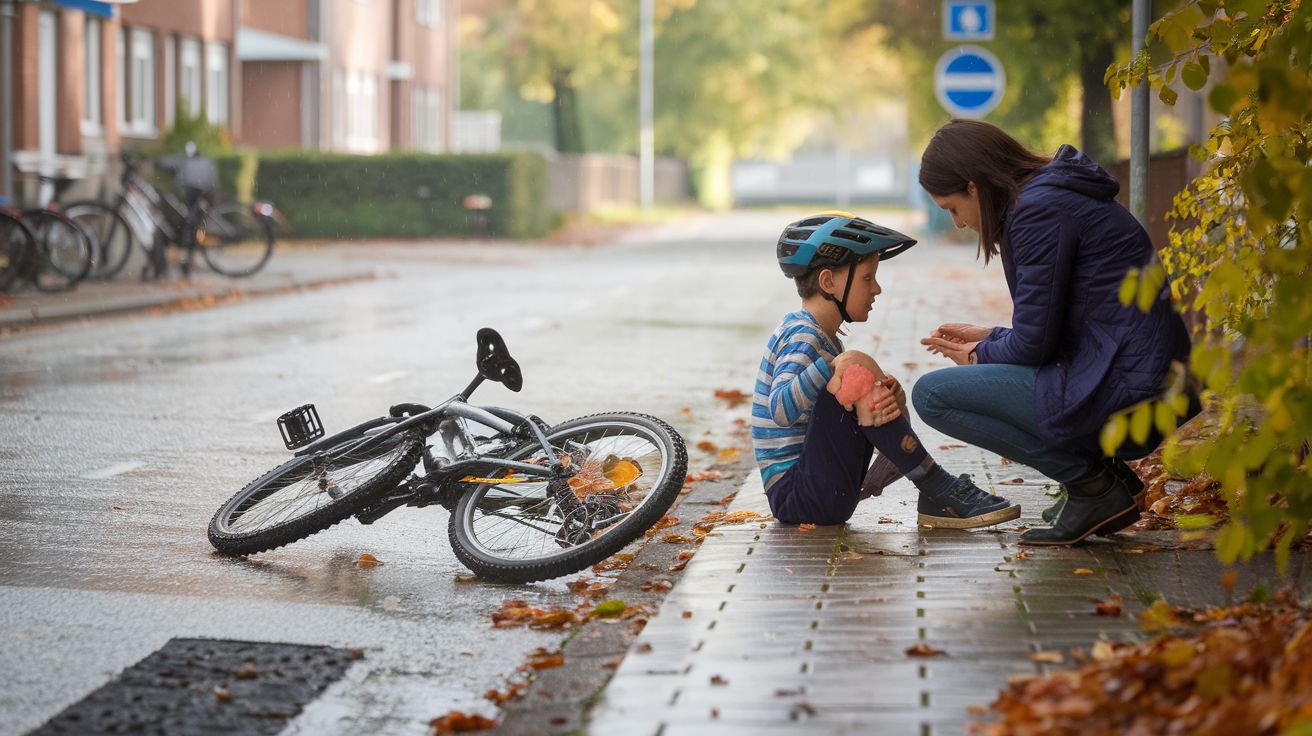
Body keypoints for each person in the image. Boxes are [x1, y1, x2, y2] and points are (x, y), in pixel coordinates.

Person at [913, 119, 1198, 546]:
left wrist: (977, 355)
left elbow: (1034, 343)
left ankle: (1093, 487)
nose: (957, 223)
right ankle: (1113, 484)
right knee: (963, 385)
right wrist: (988, 335)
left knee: (932, 395)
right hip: (1138, 375)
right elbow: (1055, 326)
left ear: (974, 186)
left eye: (951, 207)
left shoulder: (1038, 211)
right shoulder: (1050, 196)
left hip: (1128, 388)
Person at [751, 211, 1021, 528]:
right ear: (828, 282)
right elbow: (780, 408)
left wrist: (890, 399)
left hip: (819, 493)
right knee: (853, 369)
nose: (876, 289)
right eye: (867, 278)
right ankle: (938, 488)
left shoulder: (821, 337)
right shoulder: (802, 335)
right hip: (797, 495)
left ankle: (934, 489)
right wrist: (838, 365)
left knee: (855, 370)